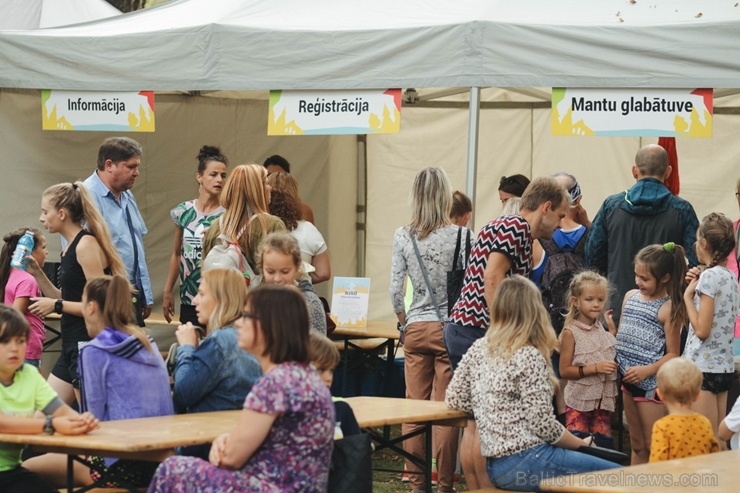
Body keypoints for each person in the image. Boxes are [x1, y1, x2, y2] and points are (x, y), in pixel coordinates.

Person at [444, 176, 569, 489]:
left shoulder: (511, 227)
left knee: (475, 422)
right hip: (479, 328)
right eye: (561, 215)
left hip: (467, 327)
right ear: (547, 207)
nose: (560, 223)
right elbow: (493, 278)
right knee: (483, 423)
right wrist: (503, 331)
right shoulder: (515, 227)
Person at [147, 285, 335, 493]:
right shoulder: (307, 377)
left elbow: (231, 459)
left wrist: (223, 447)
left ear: (269, 326)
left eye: (246, 316)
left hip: (270, 488)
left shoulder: (275, 384)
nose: (237, 323)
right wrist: (225, 439)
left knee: (172, 469)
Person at [445, 276, 618, 492]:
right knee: (618, 474)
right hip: (528, 459)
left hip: (494, 464)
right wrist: (582, 444)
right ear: (535, 310)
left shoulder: (480, 348)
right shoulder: (529, 355)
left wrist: (490, 405)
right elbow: (544, 426)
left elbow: (454, 398)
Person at [24, 275, 174, 488]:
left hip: (118, 464)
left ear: (91, 308)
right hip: (161, 463)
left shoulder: (94, 351)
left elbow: (92, 421)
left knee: (25, 471)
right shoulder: (146, 343)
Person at [389, 167, 471, 493]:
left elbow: (395, 291)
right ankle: (445, 484)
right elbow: (469, 287)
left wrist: (403, 322)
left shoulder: (402, 235)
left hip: (416, 326)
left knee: (413, 407)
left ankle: (416, 484)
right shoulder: (464, 236)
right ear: (444, 196)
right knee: (445, 411)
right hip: (450, 329)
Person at [26, 182, 126, 406]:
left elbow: (98, 306)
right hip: (71, 344)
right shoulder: (70, 246)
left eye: (45, 212)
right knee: (44, 412)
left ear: (61, 214)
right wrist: (37, 272)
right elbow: (70, 296)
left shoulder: (85, 245)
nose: (42, 219)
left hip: (86, 344)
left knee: (90, 416)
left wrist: (56, 306)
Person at [586, 144, 700, 325]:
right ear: (669, 171)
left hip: (616, 311)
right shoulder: (682, 210)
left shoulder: (611, 206)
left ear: (634, 171)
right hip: (665, 313)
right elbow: (696, 263)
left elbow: (592, 256)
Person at [0, 305, 98, 493]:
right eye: (5, 341)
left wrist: (80, 421)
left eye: (20, 341)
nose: (14, 348)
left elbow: (62, 411)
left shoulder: (29, 374)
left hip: (10, 471)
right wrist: (51, 425)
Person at [172, 267, 262, 459]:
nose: (194, 300)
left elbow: (182, 393)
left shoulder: (220, 342)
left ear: (222, 300)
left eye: (202, 294)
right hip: (241, 446)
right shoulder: (252, 340)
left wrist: (186, 348)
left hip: (205, 448)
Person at [616, 243, 687, 465]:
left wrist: (646, 370)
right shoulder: (630, 296)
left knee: (653, 444)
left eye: (645, 279)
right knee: (636, 444)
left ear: (665, 278)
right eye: (637, 276)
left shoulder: (668, 308)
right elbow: (620, 334)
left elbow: (673, 353)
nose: (638, 282)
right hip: (627, 381)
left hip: (649, 386)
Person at [84, 137, 153, 326]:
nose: (137, 173)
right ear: (109, 165)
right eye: (130, 167)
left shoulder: (127, 195)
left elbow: (135, 244)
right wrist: (102, 300)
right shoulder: (86, 197)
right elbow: (78, 253)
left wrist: (143, 293)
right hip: (107, 299)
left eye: (137, 166)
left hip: (130, 293)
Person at [682, 213, 739, 440]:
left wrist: (688, 297)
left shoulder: (709, 278)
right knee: (717, 441)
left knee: (704, 443)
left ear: (704, 244)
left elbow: (702, 330)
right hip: (723, 367)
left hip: (702, 366)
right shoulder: (730, 276)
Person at [163, 145, 228, 325]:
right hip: (189, 297)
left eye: (223, 175)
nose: (219, 180)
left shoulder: (228, 216)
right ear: (199, 176)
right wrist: (168, 291)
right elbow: (177, 254)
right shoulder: (183, 212)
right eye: (213, 174)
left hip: (218, 298)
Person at [558, 271, 618, 449]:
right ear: (576, 301)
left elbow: (600, 346)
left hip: (601, 404)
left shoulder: (599, 327)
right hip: (579, 404)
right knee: (580, 446)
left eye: (600, 300)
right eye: (589, 299)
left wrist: (611, 331)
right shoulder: (571, 332)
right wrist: (595, 368)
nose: (596, 304)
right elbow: (565, 371)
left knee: (602, 447)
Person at [202, 164, 286, 276]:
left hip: (220, 292)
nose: (270, 188)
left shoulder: (214, 227)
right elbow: (282, 271)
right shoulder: (272, 225)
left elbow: (204, 269)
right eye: (266, 183)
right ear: (256, 190)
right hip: (260, 293)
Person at [648, 358, 719, 462]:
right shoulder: (705, 423)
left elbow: (657, 462)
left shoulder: (662, 426)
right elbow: (714, 455)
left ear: (660, 394)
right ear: (698, 395)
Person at [257, 232, 327, 335]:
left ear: (297, 267)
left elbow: (318, 348)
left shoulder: (310, 303)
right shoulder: (257, 301)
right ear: (262, 267)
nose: (277, 279)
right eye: (270, 272)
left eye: (285, 272)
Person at [267, 172, 331, 284]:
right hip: (300, 297)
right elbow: (323, 273)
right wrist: (301, 280)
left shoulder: (258, 227)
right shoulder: (309, 230)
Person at [0, 228, 47, 367]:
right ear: (28, 251)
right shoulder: (27, 281)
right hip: (26, 350)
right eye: (44, 247)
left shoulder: (11, 273)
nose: (47, 252)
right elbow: (15, 319)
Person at [309, 332, 360, 439]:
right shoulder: (284, 411)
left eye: (331, 370)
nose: (328, 377)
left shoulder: (340, 408)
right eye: (321, 370)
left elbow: (356, 451)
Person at [263, 154, 315, 223]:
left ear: (288, 179)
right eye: (269, 175)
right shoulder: (257, 210)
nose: (274, 180)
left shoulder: (304, 211)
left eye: (279, 176)